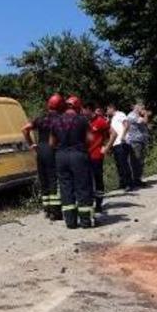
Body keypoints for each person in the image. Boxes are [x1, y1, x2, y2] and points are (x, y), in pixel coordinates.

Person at [51, 96, 93, 229]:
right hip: (78, 155)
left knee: (65, 188)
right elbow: (90, 139)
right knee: (82, 187)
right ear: (78, 106)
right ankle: (85, 221)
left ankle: (70, 222)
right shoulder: (82, 120)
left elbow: (51, 143)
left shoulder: (56, 121)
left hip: (61, 156)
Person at [22, 93, 63, 220]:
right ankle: (55, 212)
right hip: (52, 150)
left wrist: (32, 145)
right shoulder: (59, 119)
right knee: (53, 180)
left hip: (40, 150)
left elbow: (24, 129)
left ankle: (46, 210)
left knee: (43, 179)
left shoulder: (40, 119)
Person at [87, 104, 111, 214]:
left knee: (98, 179)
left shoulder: (100, 121)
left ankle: (99, 204)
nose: (82, 112)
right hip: (85, 156)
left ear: (89, 109)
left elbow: (113, 134)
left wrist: (106, 147)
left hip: (96, 155)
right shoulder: (84, 122)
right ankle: (89, 202)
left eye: (83, 110)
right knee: (87, 180)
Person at [107, 103, 134, 192]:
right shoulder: (112, 119)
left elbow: (126, 124)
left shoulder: (120, 114)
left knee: (124, 164)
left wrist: (123, 135)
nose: (107, 111)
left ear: (112, 108)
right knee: (119, 164)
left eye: (108, 109)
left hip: (122, 142)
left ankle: (129, 183)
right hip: (115, 143)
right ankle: (122, 182)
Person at [126, 103, 150, 187]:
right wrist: (146, 114)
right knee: (136, 161)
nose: (143, 110)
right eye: (142, 108)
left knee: (140, 161)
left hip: (140, 141)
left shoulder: (137, 116)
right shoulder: (132, 116)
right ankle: (134, 180)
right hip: (135, 141)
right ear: (137, 108)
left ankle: (138, 179)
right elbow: (145, 121)